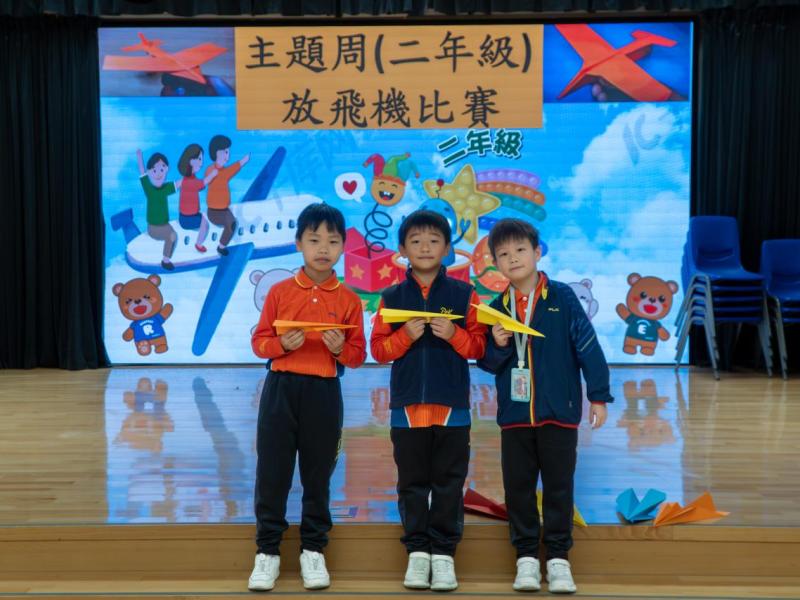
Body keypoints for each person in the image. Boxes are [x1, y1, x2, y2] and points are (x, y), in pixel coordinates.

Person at [477, 218, 613, 594]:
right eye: (503, 254)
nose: (513, 258)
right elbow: (487, 363)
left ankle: (558, 559)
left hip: (560, 413)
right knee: (518, 488)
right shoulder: (496, 308)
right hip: (515, 416)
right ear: (495, 263)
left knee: (558, 487)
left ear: (537, 253)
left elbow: (587, 346)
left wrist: (598, 395)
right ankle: (524, 558)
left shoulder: (563, 298)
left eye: (520, 250)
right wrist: (498, 345)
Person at [248, 203, 366, 592]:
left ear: (343, 246)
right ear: (299, 243)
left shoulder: (349, 299)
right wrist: (281, 344)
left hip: (324, 392)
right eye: (314, 240)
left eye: (332, 241)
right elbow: (259, 342)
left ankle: (313, 549)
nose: (323, 249)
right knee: (273, 473)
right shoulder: (279, 291)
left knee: (318, 475)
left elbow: (357, 355)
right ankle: (267, 552)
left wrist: (339, 349)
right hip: (281, 390)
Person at [370, 209, 487, 592]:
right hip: (407, 410)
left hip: (452, 408)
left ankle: (444, 555)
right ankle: (418, 553)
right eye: (416, 241)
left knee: (450, 483)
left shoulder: (464, 295)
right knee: (412, 484)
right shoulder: (391, 298)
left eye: (434, 240)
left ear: (448, 248)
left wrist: (454, 334)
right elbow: (379, 351)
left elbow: (479, 347)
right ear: (402, 249)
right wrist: (404, 336)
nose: (425, 247)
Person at [136, 149, 181, 270]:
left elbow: (178, 183)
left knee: (173, 235)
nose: (158, 174)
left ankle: (166, 259)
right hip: (153, 227)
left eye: (162, 170)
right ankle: (165, 261)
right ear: (149, 172)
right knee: (172, 236)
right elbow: (142, 172)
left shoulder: (166, 188)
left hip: (165, 225)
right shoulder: (149, 189)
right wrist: (139, 157)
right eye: (154, 170)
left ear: (166, 170)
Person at [205, 134, 249, 256]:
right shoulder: (212, 171)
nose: (227, 155)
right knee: (231, 224)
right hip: (214, 212)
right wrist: (242, 162)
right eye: (225, 152)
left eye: (228, 152)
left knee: (233, 222)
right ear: (216, 153)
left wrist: (242, 162)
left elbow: (228, 171)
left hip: (224, 210)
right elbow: (227, 173)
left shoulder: (222, 171)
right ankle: (221, 247)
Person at [176, 143, 217, 253]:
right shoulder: (189, 181)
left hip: (189, 215)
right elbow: (202, 183)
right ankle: (199, 244)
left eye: (201, 159)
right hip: (187, 218)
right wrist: (212, 175)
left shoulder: (189, 178)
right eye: (199, 159)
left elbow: (199, 186)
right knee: (205, 225)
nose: (201, 162)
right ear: (190, 160)